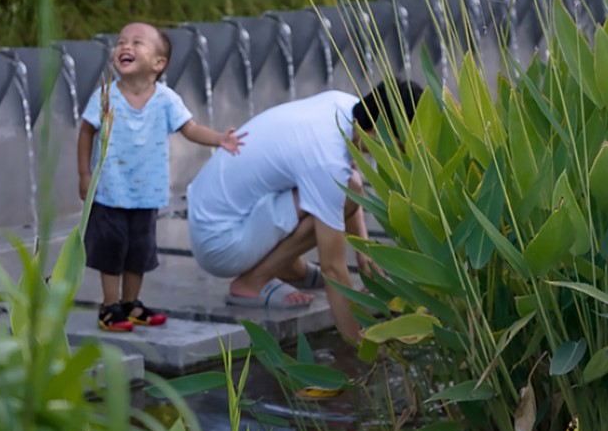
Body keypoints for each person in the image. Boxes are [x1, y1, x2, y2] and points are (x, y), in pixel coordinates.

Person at [185, 80, 425, 345]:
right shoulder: (327, 159)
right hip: (219, 244)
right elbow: (333, 268)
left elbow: (349, 185)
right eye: (400, 146)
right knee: (338, 194)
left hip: (218, 214)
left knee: (347, 186)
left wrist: (365, 256)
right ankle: (251, 283)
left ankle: (288, 268)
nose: (401, 154)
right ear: (377, 132)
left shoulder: (344, 106)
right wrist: (360, 346)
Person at [77, 22, 246, 332]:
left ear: (158, 63)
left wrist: (220, 139)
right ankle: (109, 306)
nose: (125, 47)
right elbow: (87, 130)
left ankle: (131, 303)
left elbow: (190, 128)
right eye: (121, 42)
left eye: (137, 42)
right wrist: (85, 174)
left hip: (147, 194)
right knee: (111, 252)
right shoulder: (106, 95)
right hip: (110, 191)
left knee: (139, 253)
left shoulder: (166, 99)